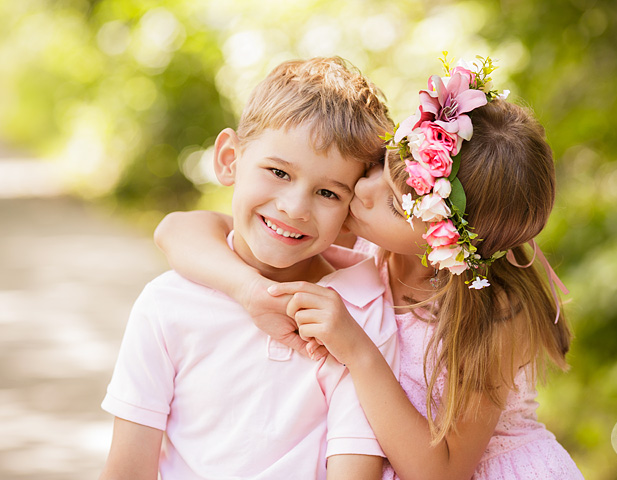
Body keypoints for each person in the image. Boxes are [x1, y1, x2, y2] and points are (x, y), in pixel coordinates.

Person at [155, 55, 584, 479]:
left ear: (448, 241)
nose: (362, 187)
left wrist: (359, 351)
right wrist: (248, 290)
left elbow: (443, 472)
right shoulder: (359, 226)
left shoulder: (496, 313)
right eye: (385, 162)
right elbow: (177, 231)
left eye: (399, 204)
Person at [99, 57, 400, 480]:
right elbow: (127, 469)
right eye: (278, 171)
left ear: (351, 211)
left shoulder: (360, 312)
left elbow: (355, 467)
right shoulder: (167, 304)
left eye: (328, 193)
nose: (294, 208)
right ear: (229, 159)